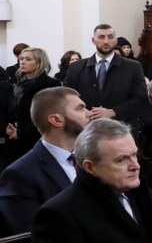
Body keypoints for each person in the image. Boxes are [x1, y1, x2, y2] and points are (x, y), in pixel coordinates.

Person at [32, 118, 152, 243]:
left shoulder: (145, 195)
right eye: (121, 160)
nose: (135, 165)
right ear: (90, 167)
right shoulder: (59, 215)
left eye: (134, 155)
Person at [0, 87, 91, 235]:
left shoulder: (93, 159)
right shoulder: (20, 175)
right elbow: (32, 237)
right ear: (56, 120)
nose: (89, 113)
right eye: (80, 109)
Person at [62, 23, 149, 119]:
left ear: (116, 41)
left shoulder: (133, 67)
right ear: (93, 40)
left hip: (120, 125)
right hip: (85, 125)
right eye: (101, 37)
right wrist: (83, 111)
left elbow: (141, 100)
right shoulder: (76, 67)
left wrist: (114, 111)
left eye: (110, 37)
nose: (106, 41)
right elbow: (66, 96)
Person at [5, 47, 61, 165]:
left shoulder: (50, 84)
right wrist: (8, 128)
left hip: (35, 138)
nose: (23, 62)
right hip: (13, 139)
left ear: (39, 63)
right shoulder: (16, 84)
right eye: (21, 59)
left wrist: (21, 133)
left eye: (28, 59)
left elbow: (46, 115)